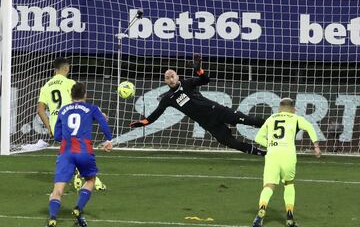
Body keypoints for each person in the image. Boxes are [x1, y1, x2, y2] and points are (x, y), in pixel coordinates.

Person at [130, 54, 266, 156]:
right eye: (167, 77)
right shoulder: (167, 98)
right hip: (208, 123)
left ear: (177, 77)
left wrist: (199, 70)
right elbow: (154, 116)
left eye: (172, 76)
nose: (171, 79)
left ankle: (274, 124)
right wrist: (142, 123)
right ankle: (261, 153)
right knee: (231, 143)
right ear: (165, 81)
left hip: (217, 111)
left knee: (250, 120)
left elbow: (205, 80)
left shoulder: (188, 83)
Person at [46, 82, 113, 227]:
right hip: (84, 151)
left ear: (71, 95)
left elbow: (57, 136)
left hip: (65, 153)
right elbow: (103, 123)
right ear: (85, 95)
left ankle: (52, 219)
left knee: (57, 190)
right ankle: (78, 209)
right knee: (90, 180)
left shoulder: (63, 110)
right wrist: (109, 139)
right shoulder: (92, 108)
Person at [37, 57, 106, 191]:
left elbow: (40, 110)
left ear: (54, 69)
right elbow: (80, 103)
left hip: (57, 127)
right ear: (66, 68)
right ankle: (91, 179)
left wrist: (49, 127)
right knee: (83, 149)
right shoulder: (70, 83)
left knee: (69, 150)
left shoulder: (46, 86)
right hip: (71, 123)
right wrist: (97, 114)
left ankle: (77, 175)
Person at [251, 98, 321, 227]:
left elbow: (258, 138)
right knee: (289, 183)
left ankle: (261, 210)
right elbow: (310, 127)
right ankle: (289, 217)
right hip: (288, 154)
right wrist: (316, 145)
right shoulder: (296, 118)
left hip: (272, 154)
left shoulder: (271, 118)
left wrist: (271, 145)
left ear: (279, 108)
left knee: (269, 185)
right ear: (293, 109)